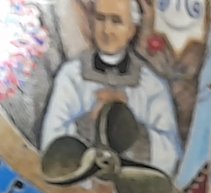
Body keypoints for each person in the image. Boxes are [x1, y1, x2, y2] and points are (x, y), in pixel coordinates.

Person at [41, 0, 181, 175]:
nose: (107, 30)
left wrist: (126, 126)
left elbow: (170, 153)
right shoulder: (71, 76)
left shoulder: (152, 85)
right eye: (101, 19)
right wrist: (90, 123)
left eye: (116, 21)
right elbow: (50, 143)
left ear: (132, 29)